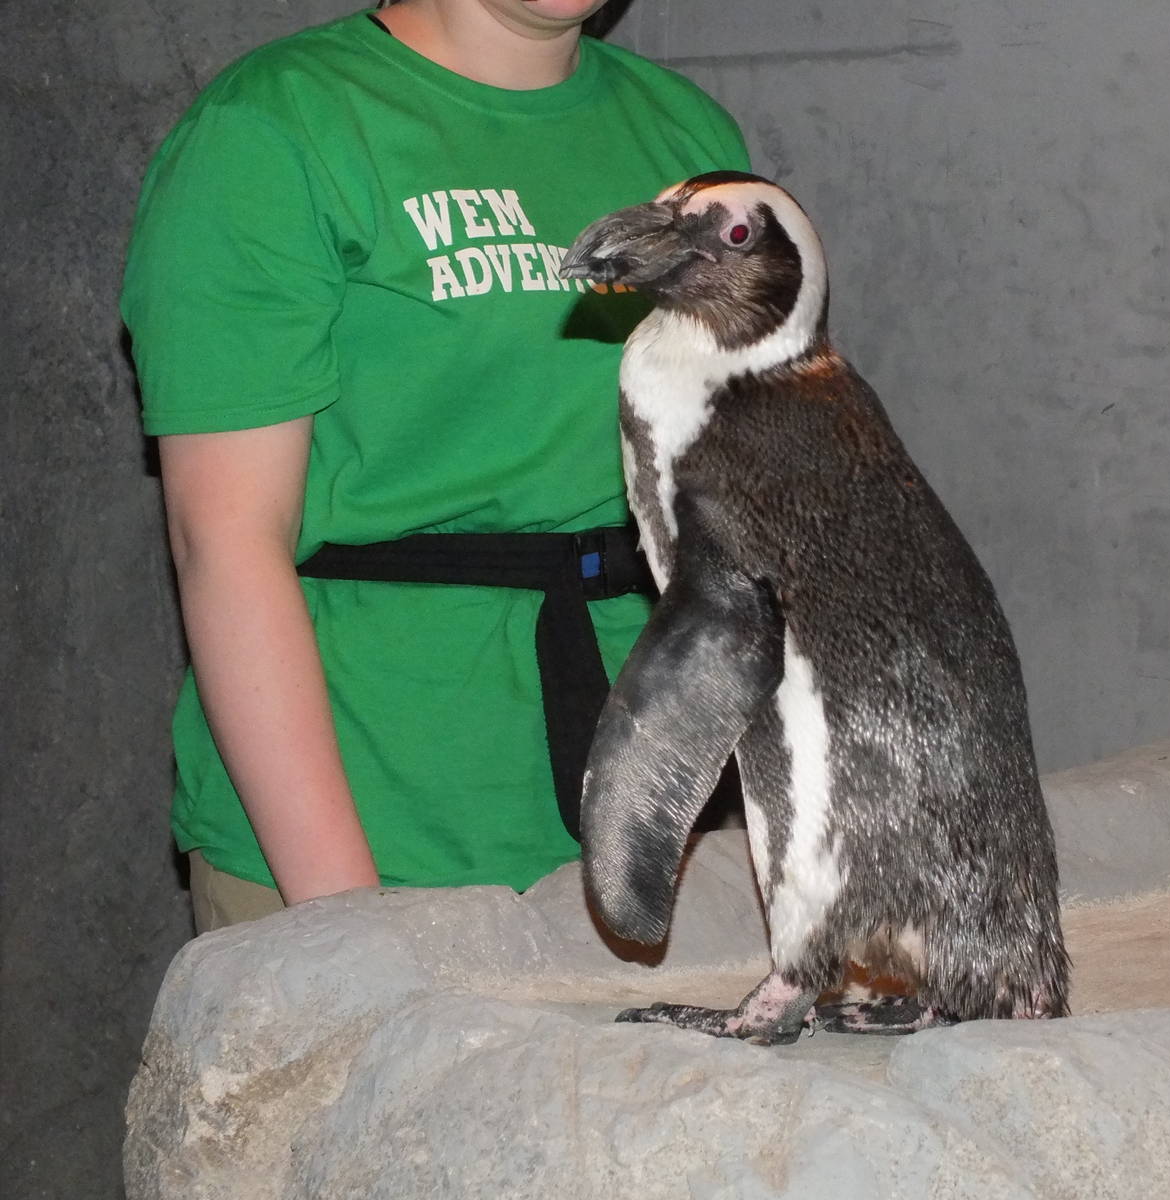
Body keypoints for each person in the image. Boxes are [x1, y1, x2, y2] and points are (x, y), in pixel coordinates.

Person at [121, 0, 750, 932]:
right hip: (371, 824)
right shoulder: (278, 127)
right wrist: (347, 920)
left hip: (657, 821)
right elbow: (225, 542)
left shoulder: (689, 135)